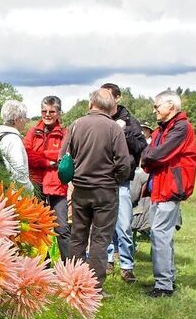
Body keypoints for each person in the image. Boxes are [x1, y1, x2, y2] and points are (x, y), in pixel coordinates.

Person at [61, 89, 131, 291]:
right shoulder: (113, 128)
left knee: (78, 237)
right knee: (100, 239)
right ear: (111, 106)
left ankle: (72, 283)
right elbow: (124, 164)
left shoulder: (75, 125)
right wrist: (114, 179)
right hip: (106, 191)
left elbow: (63, 158)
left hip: (80, 190)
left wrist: (76, 176)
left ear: (91, 103)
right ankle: (94, 288)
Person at [141, 90, 196, 298]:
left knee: (160, 235)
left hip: (169, 188)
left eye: (157, 106)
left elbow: (157, 154)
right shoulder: (163, 128)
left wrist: (148, 156)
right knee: (162, 235)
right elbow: (148, 154)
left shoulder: (181, 127)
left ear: (171, 107)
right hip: (159, 187)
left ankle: (163, 286)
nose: (154, 110)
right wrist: (148, 156)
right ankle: (167, 279)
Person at [100, 83, 149, 282]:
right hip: (102, 180)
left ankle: (127, 266)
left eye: (108, 95)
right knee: (104, 225)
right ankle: (108, 260)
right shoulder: (99, 119)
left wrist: (124, 131)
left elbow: (141, 146)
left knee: (124, 224)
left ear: (117, 98)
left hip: (121, 181)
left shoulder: (129, 120)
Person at [24, 96, 70, 259]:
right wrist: (48, 161)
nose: (47, 114)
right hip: (36, 184)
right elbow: (27, 155)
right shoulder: (32, 132)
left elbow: (62, 156)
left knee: (62, 228)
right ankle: (41, 265)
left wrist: (41, 156)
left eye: (52, 111)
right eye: (44, 111)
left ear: (59, 113)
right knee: (36, 227)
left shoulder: (65, 133)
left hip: (57, 186)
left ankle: (70, 268)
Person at [0, 100, 33, 193]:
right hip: (17, 196)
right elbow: (19, 173)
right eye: (24, 117)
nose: (26, 121)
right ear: (16, 120)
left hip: (4, 191)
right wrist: (30, 190)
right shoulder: (13, 140)